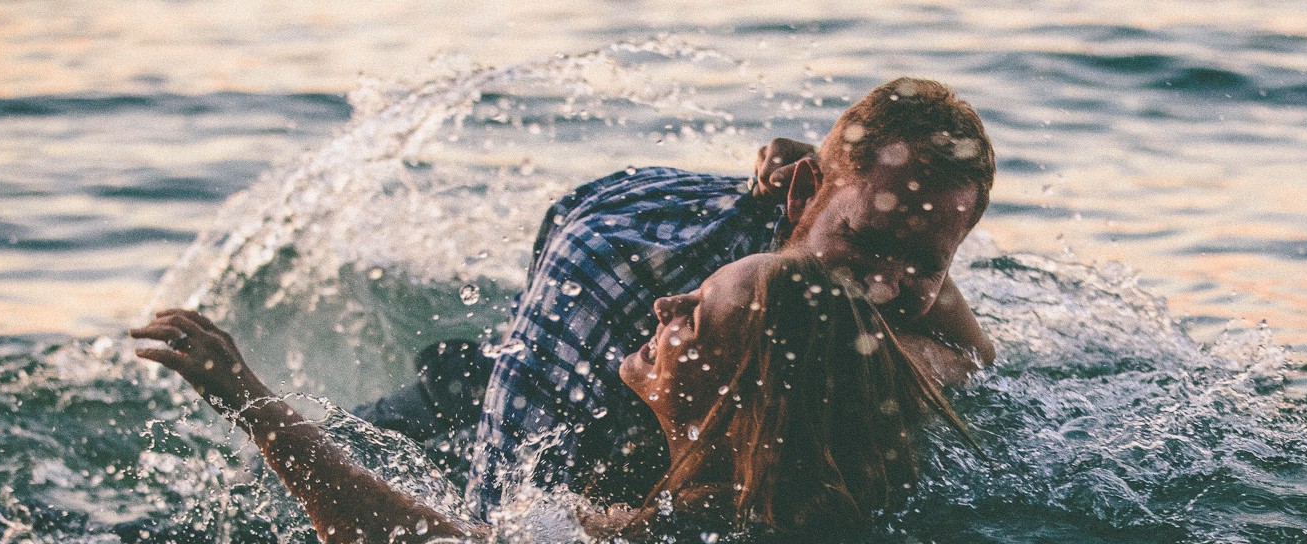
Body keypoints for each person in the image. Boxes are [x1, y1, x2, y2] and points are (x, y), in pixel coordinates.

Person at [405, 76, 996, 515]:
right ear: (802, 194)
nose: (882, 287)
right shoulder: (617, 274)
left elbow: (973, 357)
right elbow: (491, 521)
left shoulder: (882, 247)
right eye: (864, 241)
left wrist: (874, 367)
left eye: (924, 264)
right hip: (491, 399)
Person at [131, 251, 972, 544]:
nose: (663, 308)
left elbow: (410, 543)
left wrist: (251, 402)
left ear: (738, 388)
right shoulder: (818, 487)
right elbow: (961, 343)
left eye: (696, 315)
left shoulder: (681, 532)